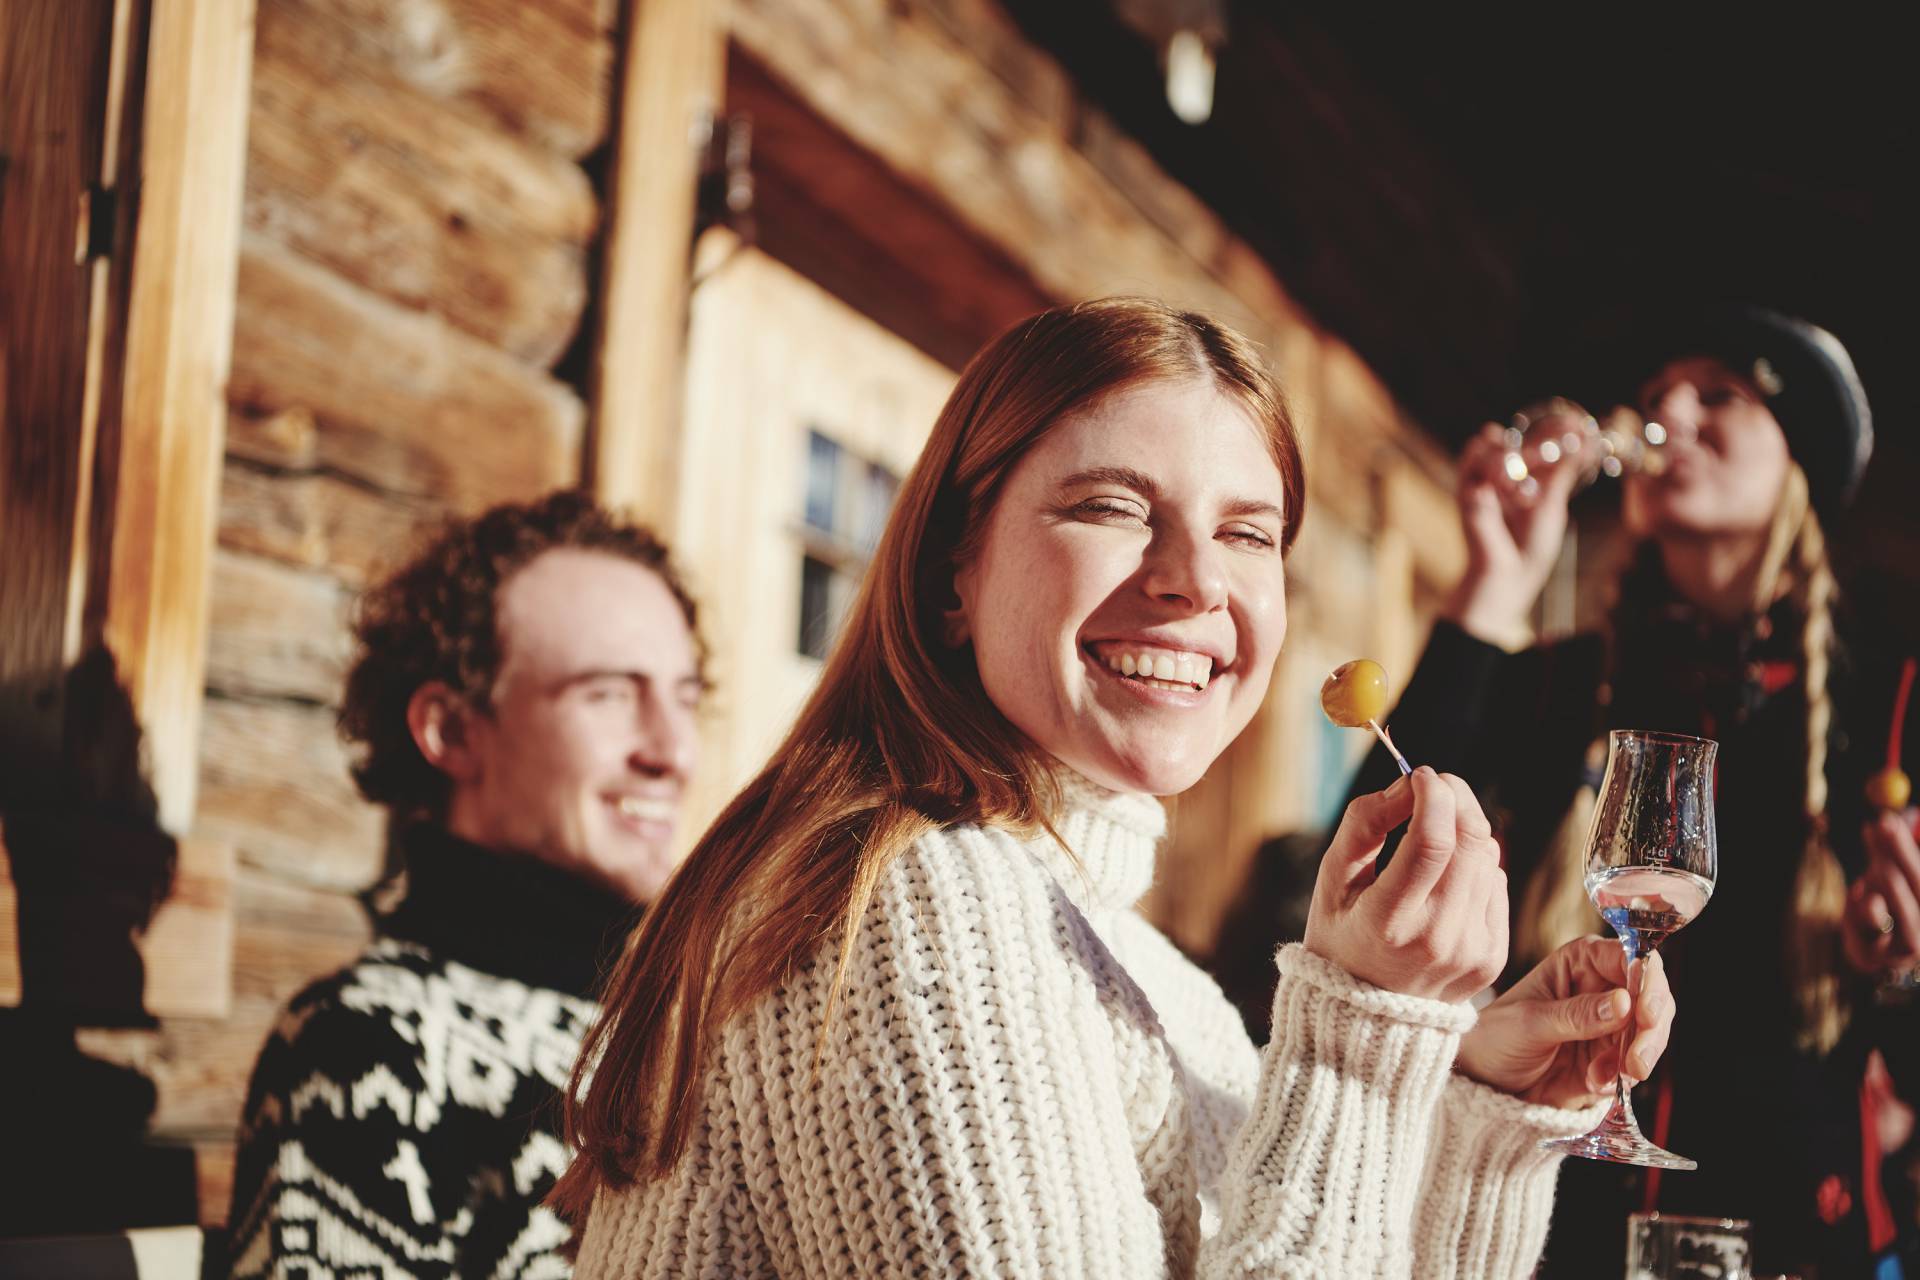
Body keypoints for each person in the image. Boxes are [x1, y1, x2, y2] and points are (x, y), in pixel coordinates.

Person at [551, 297, 1677, 1278]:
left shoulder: (1147, 975)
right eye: (1111, 506)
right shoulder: (916, 906)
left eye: (1248, 531)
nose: (1194, 580)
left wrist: (1481, 1106)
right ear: (957, 569)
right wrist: (1351, 1033)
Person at [1328, 306, 1919, 1276]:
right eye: (1653, 398)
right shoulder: (1556, 683)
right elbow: (1365, 873)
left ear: (1799, 463)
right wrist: (1492, 584)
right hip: (1553, 1234)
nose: (1669, 410)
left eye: (1720, 394)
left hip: (1799, 1234)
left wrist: (1902, 978)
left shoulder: (1892, 701)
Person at [224, 491, 706, 1278]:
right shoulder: (369, 1046)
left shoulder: (689, 1029)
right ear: (452, 731)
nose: (671, 750)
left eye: (685, 698)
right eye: (610, 694)